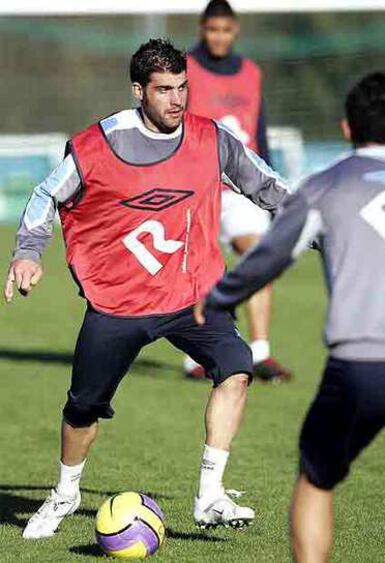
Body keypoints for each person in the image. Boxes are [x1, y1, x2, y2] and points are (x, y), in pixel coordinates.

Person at [4, 39, 288, 539]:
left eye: (183, 88)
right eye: (163, 90)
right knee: (82, 410)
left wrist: (318, 225)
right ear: (139, 91)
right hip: (118, 303)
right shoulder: (97, 145)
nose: (177, 100)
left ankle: (210, 495)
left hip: (191, 295)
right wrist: (27, 251)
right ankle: (65, 493)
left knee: (238, 368)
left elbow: (266, 186)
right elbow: (46, 194)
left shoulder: (210, 138)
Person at [194, 72, 385, 562]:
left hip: (360, 365)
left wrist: (219, 298)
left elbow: (270, 255)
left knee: (317, 479)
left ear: (345, 128)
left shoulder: (327, 185)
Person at [185, 0, 292, 382]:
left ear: (235, 31)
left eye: (225, 29)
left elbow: (259, 131)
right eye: (212, 29)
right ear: (202, 28)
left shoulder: (250, 72)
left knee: (260, 255)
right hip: (199, 184)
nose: (218, 36)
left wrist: (273, 189)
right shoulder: (185, 68)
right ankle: (196, 355)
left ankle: (261, 352)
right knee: (197, 266)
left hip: (243, 185)